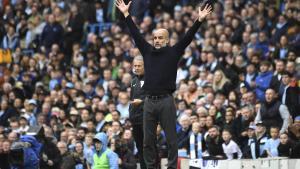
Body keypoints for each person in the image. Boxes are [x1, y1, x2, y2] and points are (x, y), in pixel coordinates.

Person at [115, 0, 212, 168]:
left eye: (160, 37)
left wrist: (199, 20)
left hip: (166, 101)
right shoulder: (147, 51)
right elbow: (136, 34)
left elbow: (188, 37)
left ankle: (172, 167)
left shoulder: (174, 52)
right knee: (147, 141)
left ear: (167, 40)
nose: (157, 40)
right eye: (155, 38)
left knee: (171, 139)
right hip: (149, 102)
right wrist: (126, 14)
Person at [129, 55, 146, 169]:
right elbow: (132, 99)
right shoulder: (133, 81)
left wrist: (142, 102)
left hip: (147, 119)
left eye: (139, 65)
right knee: (139, 147)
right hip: (135, 120)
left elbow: (155, 97)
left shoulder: (151, 78)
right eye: (135, 65)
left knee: (149, 147)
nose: (137, 68)